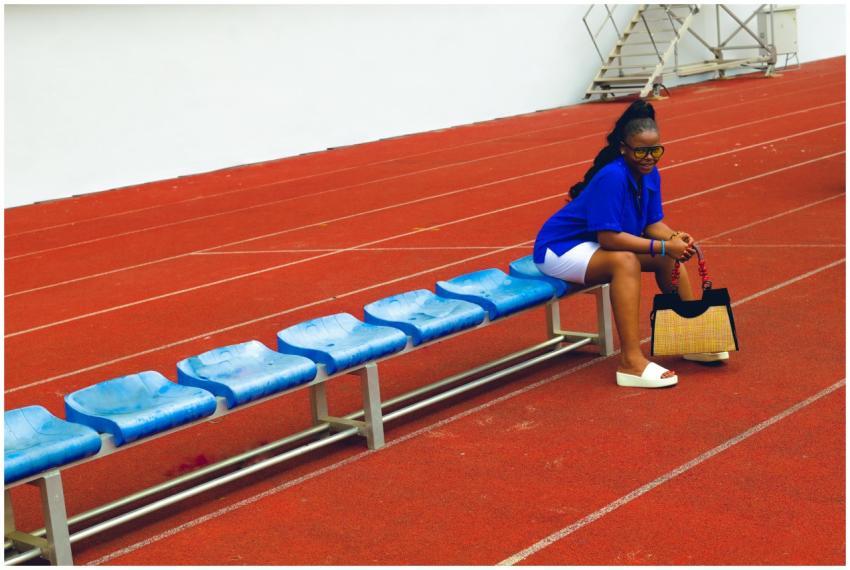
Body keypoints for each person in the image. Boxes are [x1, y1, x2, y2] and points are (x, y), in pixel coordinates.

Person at [533, 100, 727, 389]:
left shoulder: (650, 173)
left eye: (655, 150)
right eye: (640, 150)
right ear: (624, 148)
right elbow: (608, 239)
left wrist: (675, 240)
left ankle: (692, 339)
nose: (649, 157)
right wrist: (662, 246)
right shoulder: (612, 176)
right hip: (560, 249)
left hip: (592, 247)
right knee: (625, 261)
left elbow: (652, 224)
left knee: (667, 259)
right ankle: (631, 362)